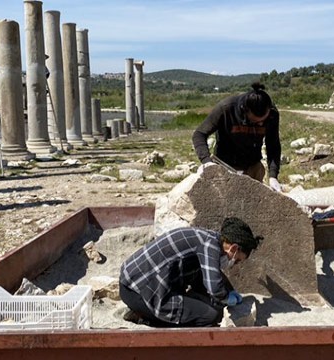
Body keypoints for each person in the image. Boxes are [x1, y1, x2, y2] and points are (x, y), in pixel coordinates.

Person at [119, 217, 263, 327]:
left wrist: (229, 290)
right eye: (237, 260)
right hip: (140, 291)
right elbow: (215, 288)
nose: (234, 264)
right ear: (233, 248)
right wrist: (227, 298)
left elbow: (205, 275)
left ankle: (144, 313)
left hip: (131, 283)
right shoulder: (210, 246)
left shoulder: (207, 238)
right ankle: (147, 318)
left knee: (206, 302)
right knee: (209, 315)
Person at [192, 82, 282, 192]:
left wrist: (273, 176)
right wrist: (207, 162)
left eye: (263, 121)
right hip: (225, 168)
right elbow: (199, 134)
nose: (260, 124)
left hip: (253, 167)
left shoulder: (272, 114)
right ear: (245, 111)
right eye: (255, 121)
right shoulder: (226, 108)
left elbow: (273, 145)